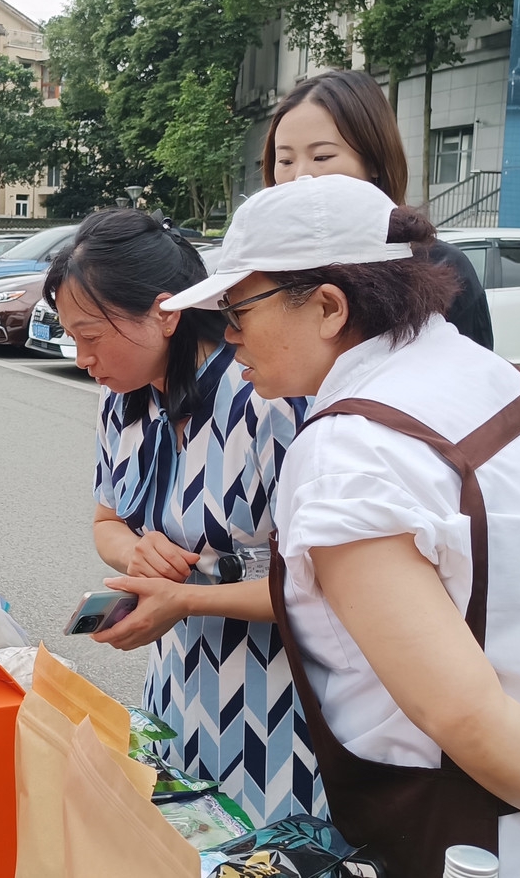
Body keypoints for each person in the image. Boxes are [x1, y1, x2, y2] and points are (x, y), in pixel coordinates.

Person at [160, 173, 520, 877]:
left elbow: (459, 712)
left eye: (238, 307)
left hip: (494, 839)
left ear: (330, 307)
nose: (227, 334)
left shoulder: (349, 451)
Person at [45, 209, 322, 825]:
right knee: (181, 837)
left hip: (278, 695)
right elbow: (107, 523)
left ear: (165, 314)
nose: (83, 356)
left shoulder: (267, 396)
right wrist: (134, 554)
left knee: (267, 847)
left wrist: (186, 600)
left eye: (92, 335)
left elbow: (323, 587)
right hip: (177, 678)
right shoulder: (122, 398)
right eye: (72, 337)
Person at [264, 69, 495, 350]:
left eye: (321, 156)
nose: (301, 176)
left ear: (374, 161)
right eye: (285, 161)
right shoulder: (263, 265)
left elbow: (471, 382)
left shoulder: (441, 270)